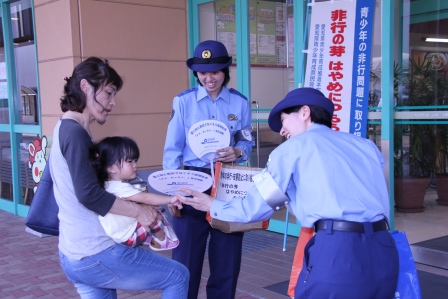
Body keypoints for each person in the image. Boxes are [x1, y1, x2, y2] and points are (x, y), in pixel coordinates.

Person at [176, 87, 399, 298]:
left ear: (304, 112)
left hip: (337, 252)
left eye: (283, 120)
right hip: (384, 249)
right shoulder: (365, 145)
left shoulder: (291, 150)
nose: (282, 131)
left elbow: (255, 207)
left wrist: (211, 205)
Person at [50, 57, 189, 298]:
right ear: (85, 87)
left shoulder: (66, 127)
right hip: (95, 252)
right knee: (177, 276)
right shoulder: (75, 133)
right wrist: (139, 211)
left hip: (74, 254)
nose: (112, 103)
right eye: (108, 93)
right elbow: (89, 194)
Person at [163, 40, 254, 299]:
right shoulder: (184, 102)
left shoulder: (240, 103)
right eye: (203, 72)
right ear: (196, 74)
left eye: (215, 72)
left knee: (227, 260)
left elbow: (246, 140)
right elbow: (172, 150)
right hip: (192, 181)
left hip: (227, 183)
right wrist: (173, 193)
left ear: (225, 72)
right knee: (185, 260)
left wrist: (237, 151)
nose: (209, 78)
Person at [91, 136, 180, 251]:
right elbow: (146, 198)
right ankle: (161, 241)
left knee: (149, 209)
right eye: (129, 161)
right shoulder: (119, 187)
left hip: (119, 235)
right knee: (156, 214)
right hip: (129, 236)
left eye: (135, 161)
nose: (135, 165)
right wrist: (171, 199)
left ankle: (149, 237)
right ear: (111, 168)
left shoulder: (108, 185)